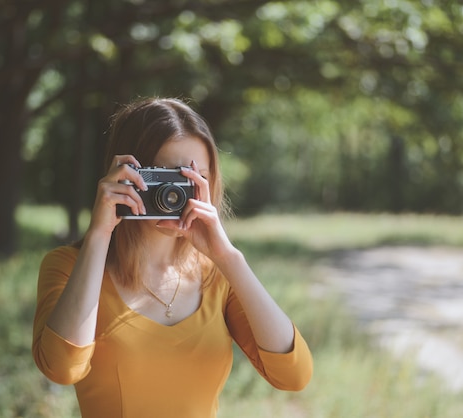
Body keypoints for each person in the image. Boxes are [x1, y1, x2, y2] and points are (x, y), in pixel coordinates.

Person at [32, 97, 313, 417]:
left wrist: (229, 257)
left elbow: (294, 375)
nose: (175, 194)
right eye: (165, 177)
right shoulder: (70, 267)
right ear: (125, 174)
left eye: (193, 178)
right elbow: (61, 369)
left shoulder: (217, 276)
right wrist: (100, 234)